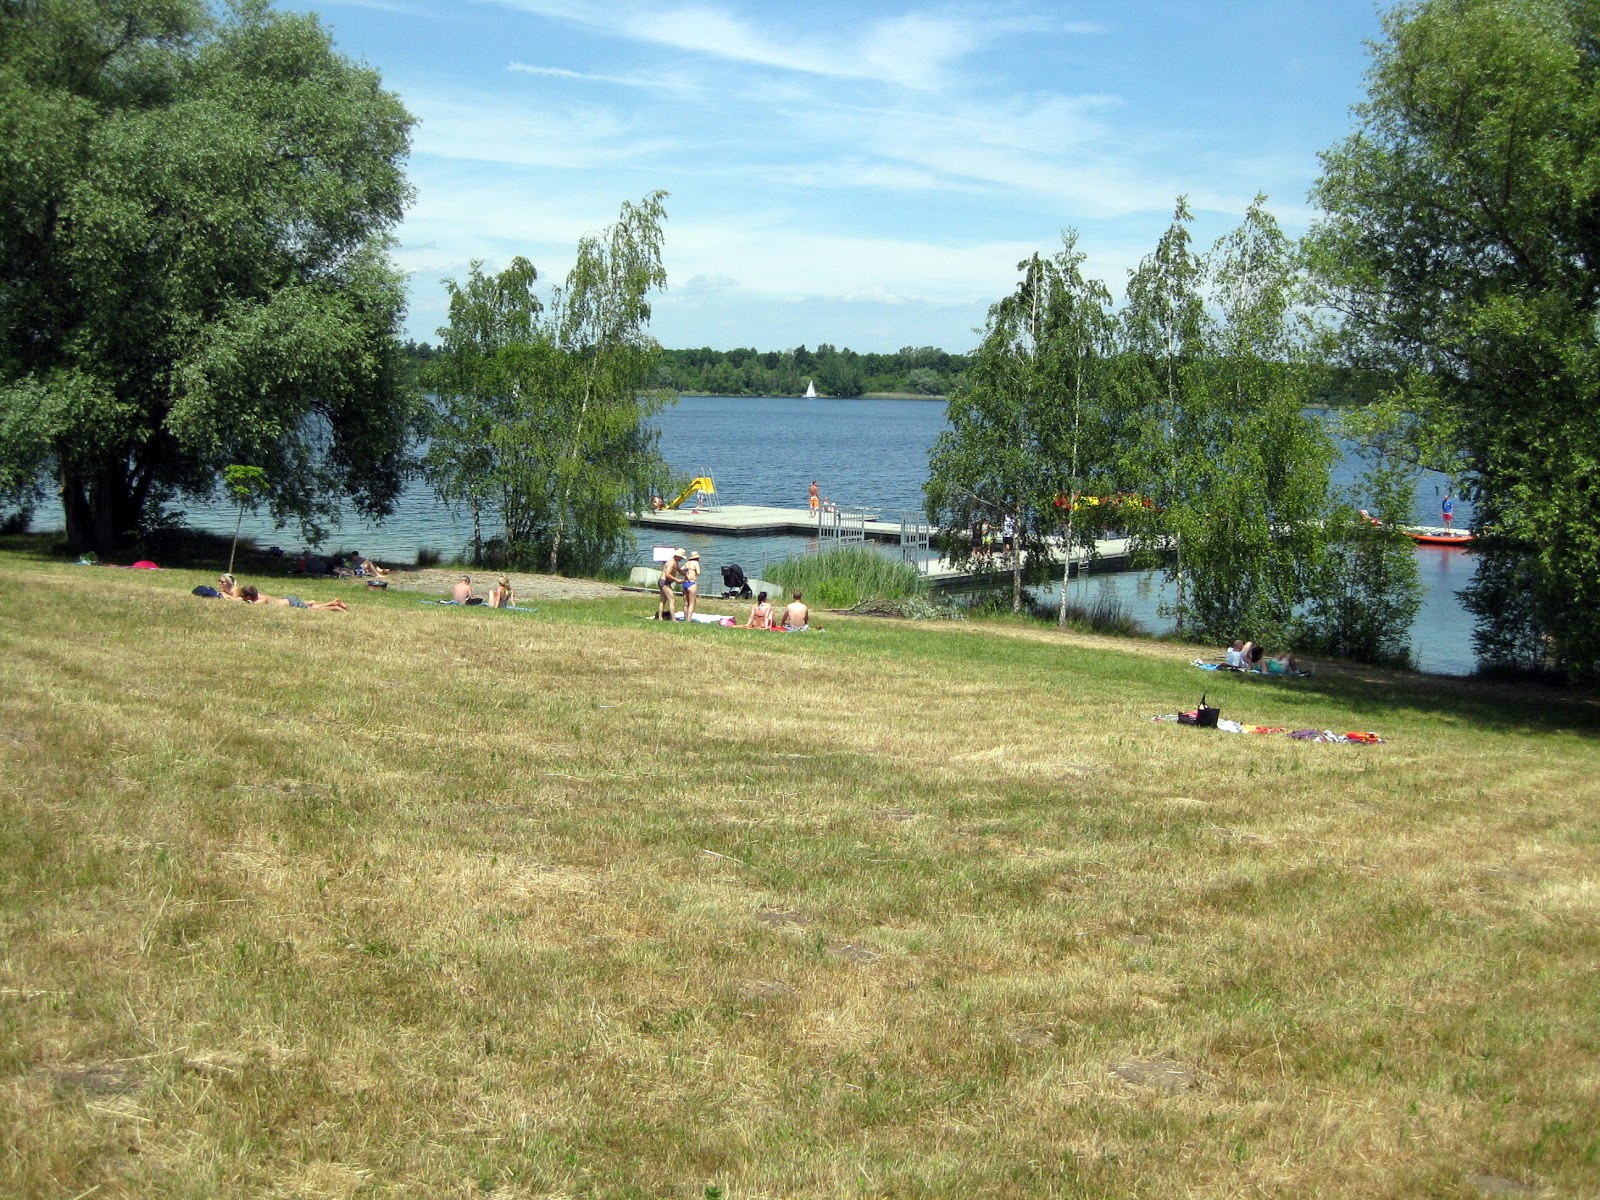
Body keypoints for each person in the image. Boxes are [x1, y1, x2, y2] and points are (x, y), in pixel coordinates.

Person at [233, 583, 348, 610]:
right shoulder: (259, 595)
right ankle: (312, 602)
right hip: (287, 599)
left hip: (291, 603)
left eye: (243, 596)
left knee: (312, 611)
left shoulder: (261, 600)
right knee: (310, 607)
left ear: (248, 597)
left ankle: (334, 605)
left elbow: (252, 606)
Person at [657, 549, 685, 620]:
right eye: (681, 557)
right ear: (677, 556)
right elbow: (667, 574)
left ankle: (660, 618)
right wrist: (676, 579)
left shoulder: (675, 562)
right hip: (664, 582)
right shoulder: (671, 562)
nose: (681, 559)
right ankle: (673, 619)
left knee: (663, 600)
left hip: (664, 582)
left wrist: (687, 575)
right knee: (672, 600)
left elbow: (679, 570)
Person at [681, 551, 702, 620]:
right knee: (691, 603)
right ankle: (689, 620)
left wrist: (686, 575)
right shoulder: (696, 563)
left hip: (685, 583)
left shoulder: (686, 563)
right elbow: (698, 572)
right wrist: (694, 574)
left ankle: (685, 617)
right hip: (692, 584)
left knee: (685, 603)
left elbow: (680, 570)